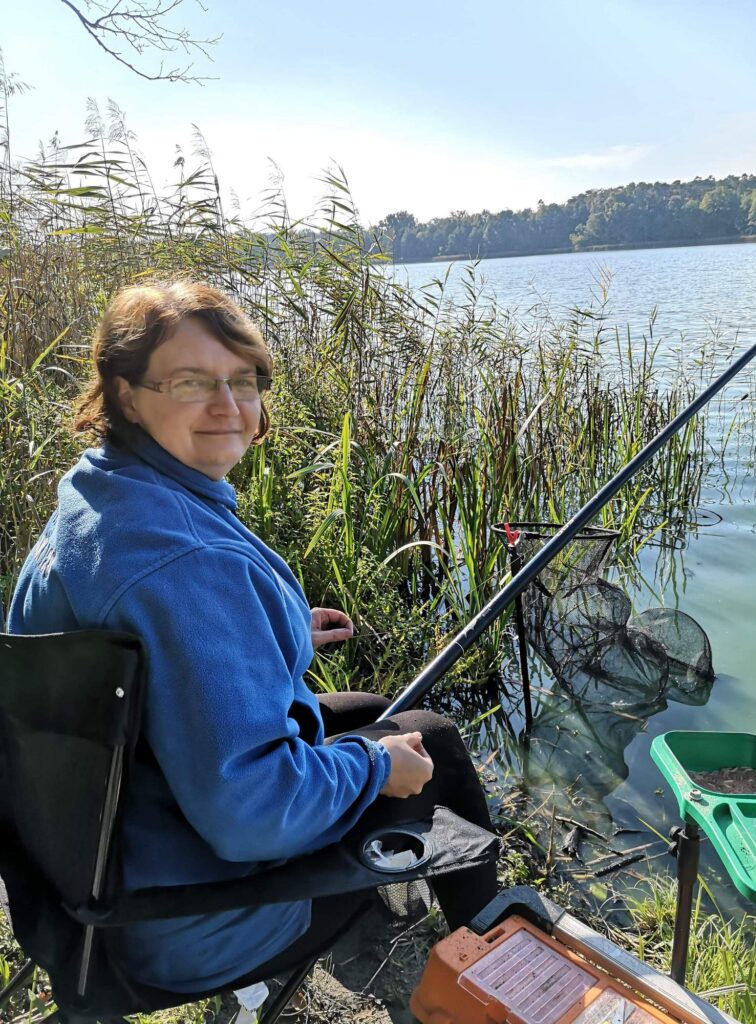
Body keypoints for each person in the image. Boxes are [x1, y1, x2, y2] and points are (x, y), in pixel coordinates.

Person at [8, 280, 496, 997]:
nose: (229, 406)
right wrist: (374, 771)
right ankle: (490, 959)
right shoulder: (185, 564)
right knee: (433, 746)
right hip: (180, 922)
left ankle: (466, 939)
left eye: (244, 381)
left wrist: (270, 629)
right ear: (126, 394)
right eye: (190, 382)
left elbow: (160, 635)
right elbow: (251, 814)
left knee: (365, 711)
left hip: (87, 870)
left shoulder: (101, 495)